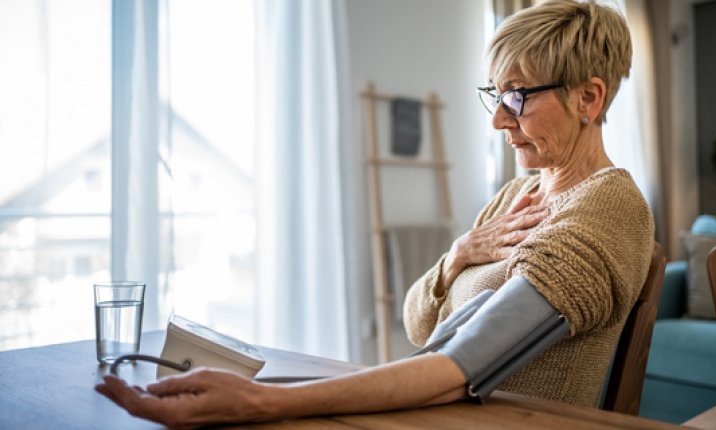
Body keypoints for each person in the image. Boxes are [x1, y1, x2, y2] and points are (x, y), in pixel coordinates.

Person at [95, 0, 654, 426]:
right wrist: (457, 254)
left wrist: (260, 400)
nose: (498, 121)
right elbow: (418, 326)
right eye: (496, 95)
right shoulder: (515, 198)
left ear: (589, 99)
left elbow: (463, 363)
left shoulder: (607, 209)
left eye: (519, 96)